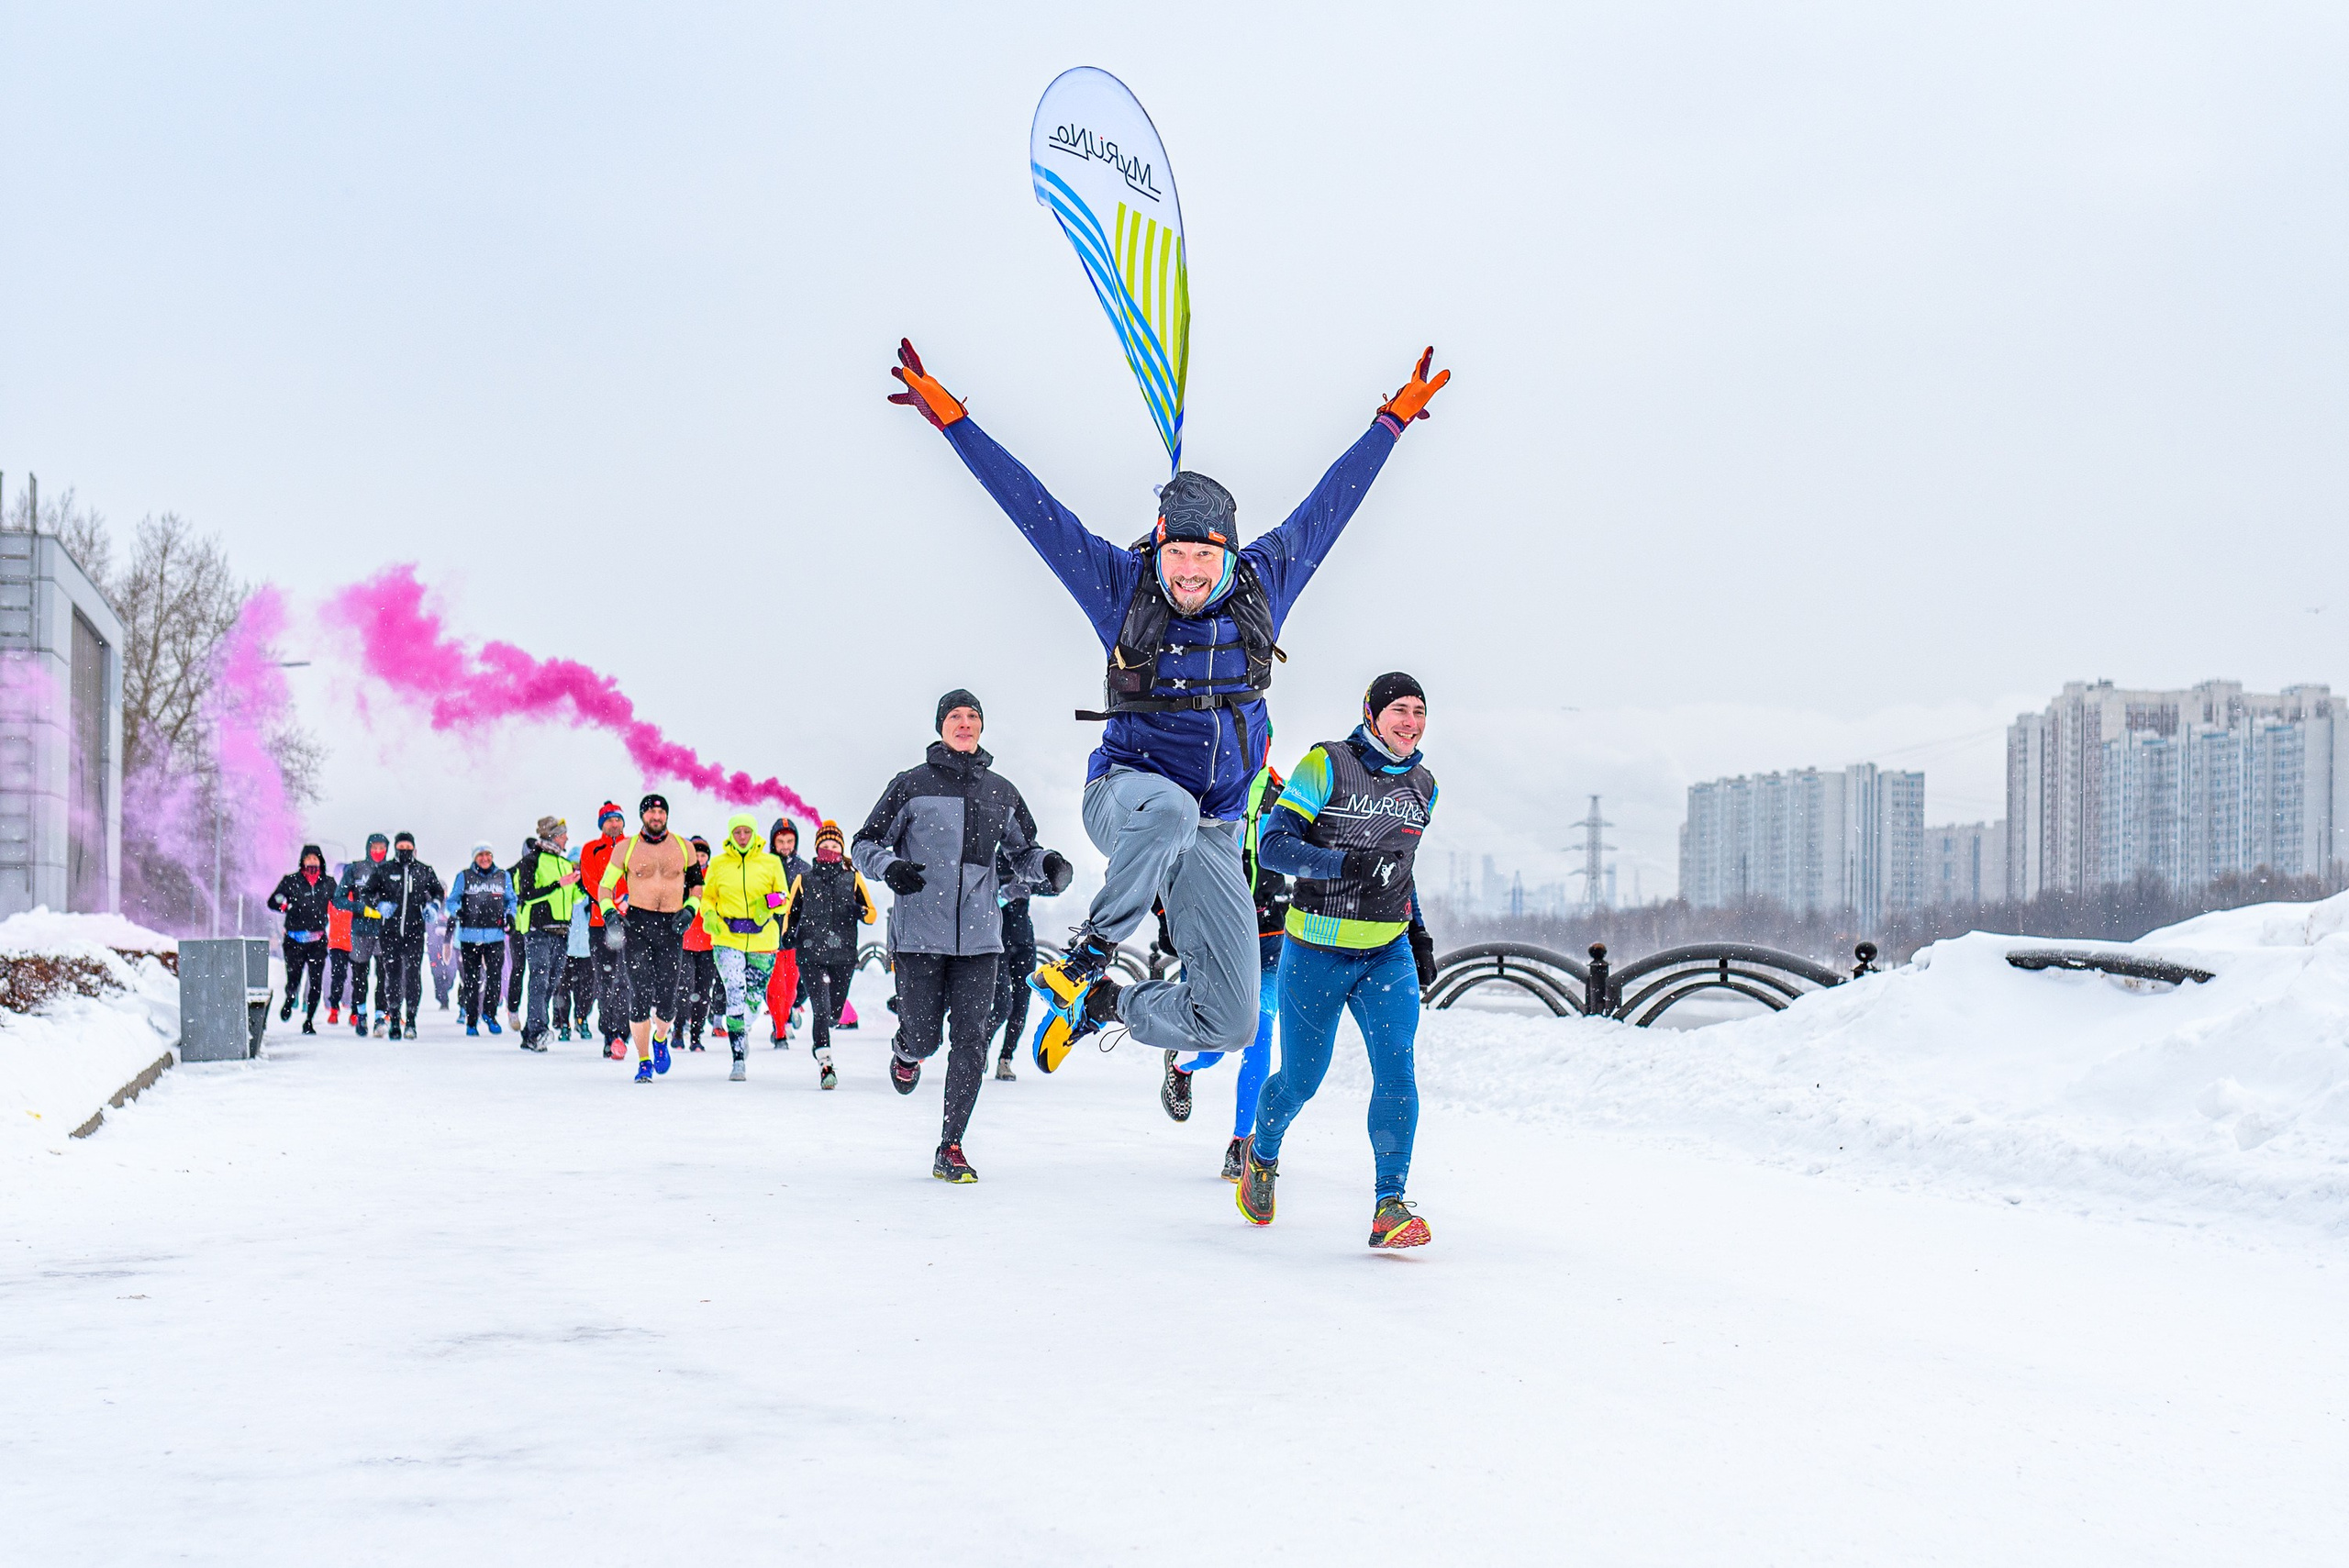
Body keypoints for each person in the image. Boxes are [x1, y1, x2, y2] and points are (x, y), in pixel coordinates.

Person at [885, 338, 1449, 1074]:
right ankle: (1091, 952)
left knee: (1235, 1019)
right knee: (1172, 810)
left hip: (1213, 829)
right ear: (1157, 547)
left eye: (1203, 558)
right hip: (1126, 798)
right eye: (1175, 555)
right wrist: (956, 424)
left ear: (1228, 555)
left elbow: (1328, 509)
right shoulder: (1122, 589)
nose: (1187, 572)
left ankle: (1104, 1006)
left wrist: (1390, 424)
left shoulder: (1262, 587)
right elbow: (1036, 511)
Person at [1237, 674, 1441, 1250]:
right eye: (1398, 710)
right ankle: (1264, 1150)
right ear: (1372, 715)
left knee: (1397, 1069)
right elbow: (1276, 844)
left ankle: (1389, 1204)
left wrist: (1419, 934)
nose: (1410, 722)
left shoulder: (1424, 784)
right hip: (1317, 949)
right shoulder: (1325, 765)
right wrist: (1343, 864)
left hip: (1387, 952)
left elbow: (1402, 866)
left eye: (1419, 712)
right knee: (1302, 1080)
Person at [851, 690, 1066, 1183]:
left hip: (980, 938)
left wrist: (1047, 865)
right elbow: (865, 843)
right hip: (919, 934)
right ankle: (906, 1050)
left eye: (972, 717)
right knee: (926, 1039)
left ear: (982, 727)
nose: (964, 723)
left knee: (971, 1041)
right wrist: (891, 867)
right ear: (940, 726)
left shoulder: (1002, 791)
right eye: (955, 716)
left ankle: (951, 1145)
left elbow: (1022, 854)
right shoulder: (910, 785)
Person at [1161, 762, 1290, 1180]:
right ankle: (1182, 1067)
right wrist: (1167, 916)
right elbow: (1162, 857)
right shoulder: (1200, 789)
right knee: (1213, 1048)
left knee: (1260, 1036)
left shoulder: (1286, 795)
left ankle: (1241, 1142)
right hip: (1215, 937)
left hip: (1270, 941)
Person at [596, 793, 699, 1083]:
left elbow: (697, 888)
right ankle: (643, 1061)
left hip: (672, 926)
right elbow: (605, 888)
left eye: (661, 812)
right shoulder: (627, 849)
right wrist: (610, 914)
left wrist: (690, 911)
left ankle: (661, 1038)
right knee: (639, 994)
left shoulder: (684, 847)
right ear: (642, 816)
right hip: (638, 926)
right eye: (651, 812)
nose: (656, 817)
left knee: (668, 999)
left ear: (667, 815)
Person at [785, 818, 875, 1090]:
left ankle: (824, 1034)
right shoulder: (804, 879)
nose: (829, 849)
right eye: (824, 845)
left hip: (844, 955)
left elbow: (871, 914)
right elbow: (792, 912)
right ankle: (825, 1062)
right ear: (816, 848)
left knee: (834, 1012)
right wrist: (788, 936)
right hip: (810, 953)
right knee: (821, 1010)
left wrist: (859, 912)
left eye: (834, 845)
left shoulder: (853, 877)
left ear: (841, 848)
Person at [700, 813, 789, 1083]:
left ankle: (742, 1031)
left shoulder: (771, 862)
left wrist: (767, 905)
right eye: (737, 832)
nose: (742, 837)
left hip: (763, 938)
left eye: (746, 832)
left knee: (753, 997)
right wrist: (710, 916)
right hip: (728, 938)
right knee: (736, 991)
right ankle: (737, 1056)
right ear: (731, 834)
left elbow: (783, 898)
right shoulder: (718, 864)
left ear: (753, 833)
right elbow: (707, 898)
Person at [984, 837, 1071, 1081]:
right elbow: (979, 898)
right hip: (996, 943)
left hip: (1024, 943)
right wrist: (1003, 894)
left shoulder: (1027, 860)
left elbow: (1049, 887)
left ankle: (1005, 1060)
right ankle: (981, 1047)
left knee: (1021, 1007)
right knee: (1002, 1005)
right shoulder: (991, 860)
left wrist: (1055, 876)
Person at [362, 832, 444, 1040]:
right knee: (392, 976)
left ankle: (412, 1021)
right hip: (390, 932)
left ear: (414, 849)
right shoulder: (385, 870)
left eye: (408, 846)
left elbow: (437, 892)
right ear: (396, 848)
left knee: (413, 976)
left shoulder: (424, 870)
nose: (405, 849)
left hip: (415, 931)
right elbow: (366, 893)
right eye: (401, 846)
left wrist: (433, 906)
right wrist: (379, 905)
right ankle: (394, 1018)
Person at [513, 815, 581, 1051]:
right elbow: (527, 893)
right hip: (538, 929)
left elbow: (573, 896)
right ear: (552, 835)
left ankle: (529, 1033)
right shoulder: (531, 861)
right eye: (563, 834)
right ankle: (539, 1029)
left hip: (562, 931)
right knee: (539, 980)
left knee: (551, 984)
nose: (567, 838)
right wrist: (557, 885)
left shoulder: (564, 863)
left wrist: (579, 885)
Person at [578, 802, 632, 1060]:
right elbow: (590, 882)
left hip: (631, 923)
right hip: (601, 924)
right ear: (602, 824)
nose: (614, 823)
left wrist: (629, 899)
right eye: (609, 820)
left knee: (627, 979)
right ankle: (609, 1032)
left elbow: (641, 876)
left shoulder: (633, 846)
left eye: (617, 819)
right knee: (605, 980)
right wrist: (611, 903)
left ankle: (622, 1032)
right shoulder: (591, 848)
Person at [449, 841, 517, 1037]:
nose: (485, 859)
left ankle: (490, 1014)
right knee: (471, 980)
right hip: (470, 935)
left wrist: (510, 914)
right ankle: (471, 1020)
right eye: (480, 855)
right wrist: (457, 911)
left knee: (495, 977)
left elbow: (511, 899)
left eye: (488, 855)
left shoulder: (503, 876)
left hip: (495, 935)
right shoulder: (464, 877)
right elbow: (452, 901)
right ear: (474, 858)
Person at [265, 844, 333, 1033]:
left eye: (315, 858)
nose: (312, 861)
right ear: (302, 861)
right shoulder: (291, 881)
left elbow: (341, 900)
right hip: (294, 939)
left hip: (317, 940)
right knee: (293, 978)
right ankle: (290, 998)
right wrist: (286, 907)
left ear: (321, 861)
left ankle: (309, 1020)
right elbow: (273, 901)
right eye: (308, 858)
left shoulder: (328, 883)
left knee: (315, 981)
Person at [338, 833, 391, 1035]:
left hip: (385, 931)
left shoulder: (392, 869)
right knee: (360, 976)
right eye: (374, 848)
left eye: (382, 848)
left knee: (384, 976)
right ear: (368, 848)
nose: (378, 852)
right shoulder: (356, 869)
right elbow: (338, 899)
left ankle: (380, 1016)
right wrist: (361, 908)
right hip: (360, 931)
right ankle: (360, 1014)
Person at [764, 818, 809, 1046]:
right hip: (768, 936)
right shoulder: (763, 865)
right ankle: (779, 1030)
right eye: (780, 841)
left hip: (795, 937)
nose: (785, 845)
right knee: (775, 989)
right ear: (773, 841)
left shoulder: (804, 869)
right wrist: (773, 900)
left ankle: (787, 1014)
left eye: (790, 841)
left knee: (791, 988)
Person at [681, 836, 720, 1051]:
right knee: (683, 989)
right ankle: (678, 1029)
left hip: (708, 944)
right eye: (695, 855)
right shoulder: (681, 876)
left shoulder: (713, 879)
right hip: (685, 943)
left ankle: (696, 1036)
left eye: (703, 855)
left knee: (703, 992)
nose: (699, 858)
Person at [324, 864, 354, 1027]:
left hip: (356, 941)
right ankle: (334, 1008)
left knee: (358, 978)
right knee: (338, 977)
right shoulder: (333, 895)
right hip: (337, 942)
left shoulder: (357, 895)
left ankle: (355, 1011)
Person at [425, 897, 458, 1010]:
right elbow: (428, 924)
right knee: (437, 972)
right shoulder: (431, 907)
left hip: (450, 945)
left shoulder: (450, 906)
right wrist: (435, 931)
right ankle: (442, 998)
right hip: (434, 946)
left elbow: (455, 921)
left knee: (451, 971)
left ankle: (445, 989)